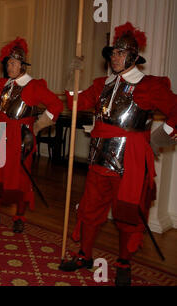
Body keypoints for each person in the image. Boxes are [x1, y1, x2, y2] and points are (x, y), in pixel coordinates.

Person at [59, 22, 177, 286]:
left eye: (120, 53)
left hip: (131, 161)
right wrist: (72, 75)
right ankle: (85, 255)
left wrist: (160, 138)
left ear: (133, 57)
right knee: (89, 209)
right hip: (99, 157)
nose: (114, 57)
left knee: (127, 212)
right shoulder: (102, 84)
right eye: (112, 52)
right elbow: (75, 102)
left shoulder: (150, 86)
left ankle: (124, 260)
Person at [0, 37, 63, 233]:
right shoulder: (4, 83)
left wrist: (39, 125)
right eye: (7, 63)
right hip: (1, 133)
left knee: (21, 176)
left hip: (22, 137)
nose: (9, 66)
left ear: (23, 65)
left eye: (13, 63)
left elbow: (57, 105)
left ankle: (20, 215)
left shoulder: (35, 86)